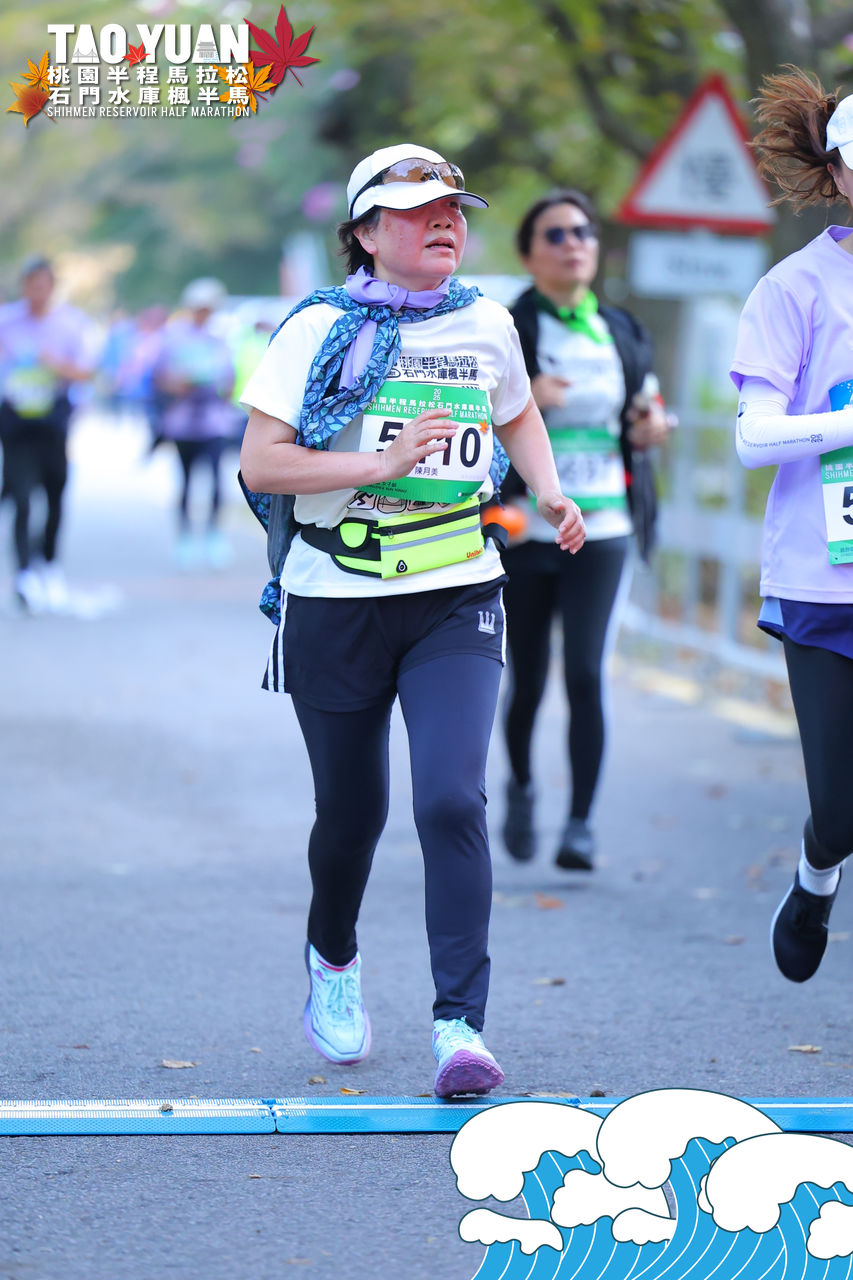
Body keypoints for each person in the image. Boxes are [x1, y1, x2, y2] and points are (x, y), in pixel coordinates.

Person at [238, 144, 585, 1097]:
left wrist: (548, 489)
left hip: (455, 591)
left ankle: (459, 1026)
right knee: (352, 816)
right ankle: (333, 956)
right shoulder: (315, 330)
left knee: (449, 800)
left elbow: (515, 414)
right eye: (419, 208)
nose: (444, 222)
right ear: (363, 232)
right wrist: (378, 467)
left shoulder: (486, 321)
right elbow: (263, 464)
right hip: (334, 598)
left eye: (454, 209)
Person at [500, 191, 668, 869]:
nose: (573, 244)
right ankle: (520, 786)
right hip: (525, 530)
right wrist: (523, 404)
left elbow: (648, 405)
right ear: (528, 254)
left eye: (583, 232)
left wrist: (654, 427)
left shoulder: (619, 328)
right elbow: (466, 417)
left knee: (585, 673)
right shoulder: (508, 329)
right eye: (556, 234)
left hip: (604, 527)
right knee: (528, 677)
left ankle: (579, 825)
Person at [731, 67, 853, 983]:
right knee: (840, 809)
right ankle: (816, 876)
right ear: (837, 172)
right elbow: (752, 439)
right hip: (825, 579)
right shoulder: (794, 288)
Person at [0, 256, 94, 613]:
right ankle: (24, 574)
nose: (36, 293)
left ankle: (49, 564)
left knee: (55, 495)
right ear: (23, 287)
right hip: (16, 423)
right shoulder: (6, 322)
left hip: (53, 422)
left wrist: (54, 364)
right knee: (22, 498)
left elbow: (86, 372)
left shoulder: (71, 323)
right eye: (30, 286)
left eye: (42, 286)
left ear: (52, 288)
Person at [154, 278, 239, 569]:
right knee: (185, 481)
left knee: (216, 480)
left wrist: (218, 387)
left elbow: (230, 380)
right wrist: (180, 384)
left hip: (214, 422)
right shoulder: (175, 338)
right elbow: (160, 377)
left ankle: (214, 535)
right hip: (182, 422)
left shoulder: (221, 340)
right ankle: (185, 537)